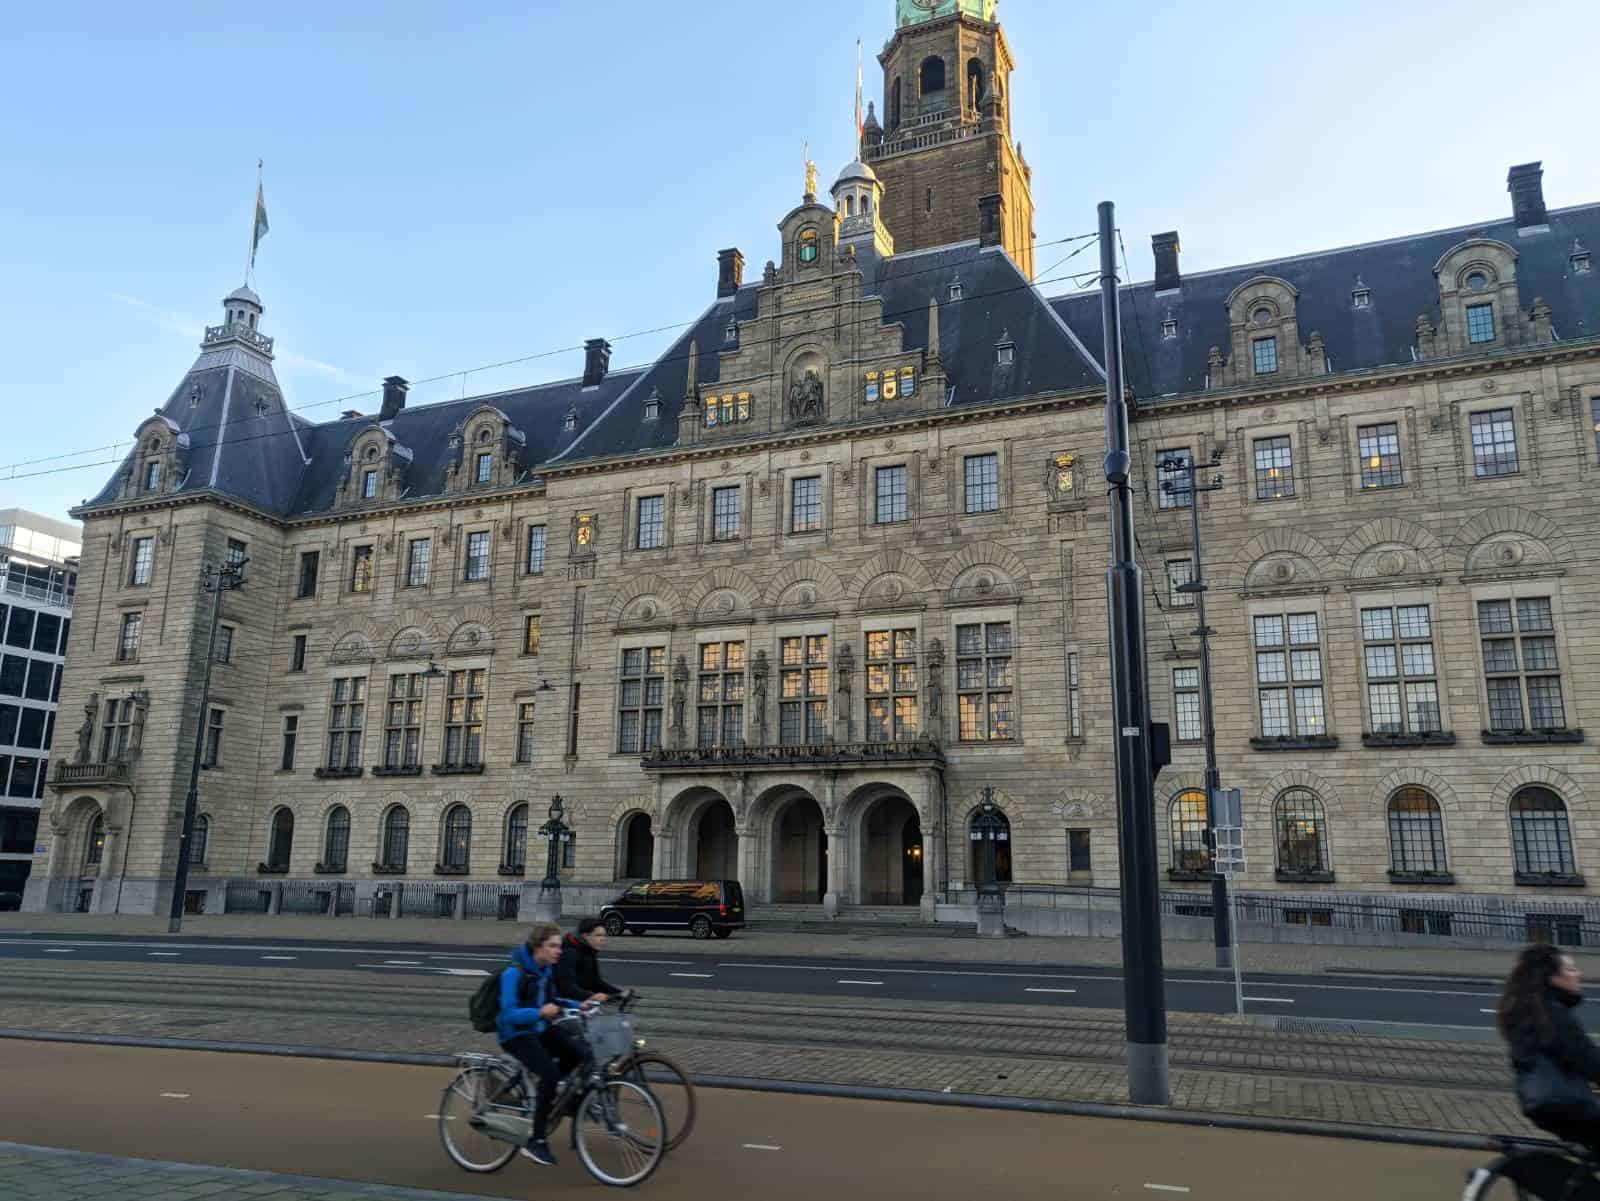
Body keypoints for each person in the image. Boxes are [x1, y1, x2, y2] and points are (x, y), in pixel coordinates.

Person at [496, 923, 587, 1168]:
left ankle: (556, 1096)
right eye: (553, 946)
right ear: (539, 948)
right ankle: (536, 1141)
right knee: (550, 1073)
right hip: (516, 1034)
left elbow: (553, 1000)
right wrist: (539, 1012)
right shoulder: (513, 974)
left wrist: (581, 1005)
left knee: (581, 1053)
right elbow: (507, 1014)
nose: (559, 950)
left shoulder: (545, 971)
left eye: (560, 945)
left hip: (538, 1028)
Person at [1498, 943, 1600, 1152]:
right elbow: (1590, 1062)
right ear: (1553, 978)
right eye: (1570, 969)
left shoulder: (1526, 1012)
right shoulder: (1553, 1015)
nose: (1578, 974)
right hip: (1569, 1105)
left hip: (1539, 1103)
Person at [555, 917, 625, 1005]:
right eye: (598, 935)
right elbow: (566, 986)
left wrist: (619, 993)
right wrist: (591, 996)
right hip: (561, 1002)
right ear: (585, 936)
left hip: (578, 1001)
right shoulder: (569, 952)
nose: (603, 939)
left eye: (604, 935)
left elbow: (594, 982)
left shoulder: (589, 950)